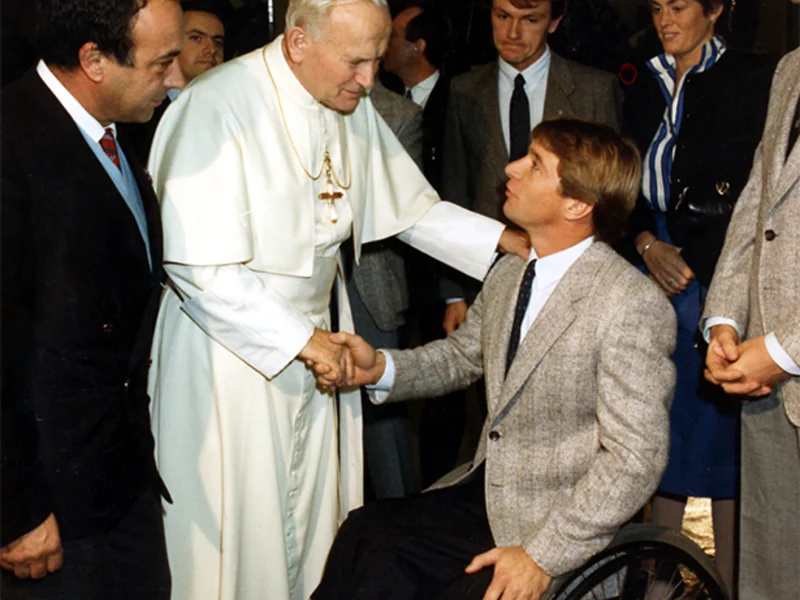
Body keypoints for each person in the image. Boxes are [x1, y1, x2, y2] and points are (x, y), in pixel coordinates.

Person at [145, 0, 527, 598]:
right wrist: (302, 341)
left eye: (377, 59)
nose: (370, 79)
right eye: (355, 61)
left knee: (309, 523)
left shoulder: (345, 97)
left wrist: (511, 243)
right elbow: (203, 269)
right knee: (239, 528)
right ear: (298, 43)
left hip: (319, 334)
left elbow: (412, 210)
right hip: (231, 353)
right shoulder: (216, 105)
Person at [311, 118, 677, 600]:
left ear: (577, 204)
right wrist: (380, 368)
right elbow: (463, 357)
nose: (511, 167)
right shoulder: (511, 271)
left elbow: (636, 459)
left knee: (390, 561)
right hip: (487, 491)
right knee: (364, 531)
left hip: (555, 523)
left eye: (535, 164)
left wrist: (543, 555)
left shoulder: (628, 303)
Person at [0, 0, 184, 598]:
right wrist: (15, 510)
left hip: (121, 478)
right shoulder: (10, 143)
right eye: (163, 63)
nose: (176, 79)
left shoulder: (117, 131)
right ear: (94, 60)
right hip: (49, 506)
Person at [622, 1, 777, 593]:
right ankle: (656, 579)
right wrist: (642, 242)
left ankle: (734, 584)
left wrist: (696, 255)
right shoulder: (637, 76)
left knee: (718, 434)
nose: (666, 17)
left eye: (680, 5)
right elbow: (618, 175)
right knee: (655, 426)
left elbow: (757, 186)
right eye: (658, 5)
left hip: (717, 271)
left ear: (715, 10)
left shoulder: (751, 75)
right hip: (647, 262)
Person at [440, 0, 623, 335]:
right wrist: (454, 293)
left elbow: (608, 200)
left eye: (530, 20)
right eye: (503, 16)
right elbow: (455, 190)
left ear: (554, 22)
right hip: (485, 275)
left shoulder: (594, 90)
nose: (512, 33)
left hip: (571, 282)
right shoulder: (463, 89)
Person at [703, 12, 800, 598]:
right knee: (771, 569)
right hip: (764, 381)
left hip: (778, 359)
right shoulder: (790, 68)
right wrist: (724, 321)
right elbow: (757, 208)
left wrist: (786, 350)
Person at [349, 82, 423, 500]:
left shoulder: (397, 114)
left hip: (369, 290)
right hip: (299, 297)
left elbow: (407, 211)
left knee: (384, 433)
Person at [122, 0, 228, 163]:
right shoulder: (140, 111)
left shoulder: (227, 109)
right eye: (197, 38)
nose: (211, 49)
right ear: (173, 42)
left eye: (217, 42)